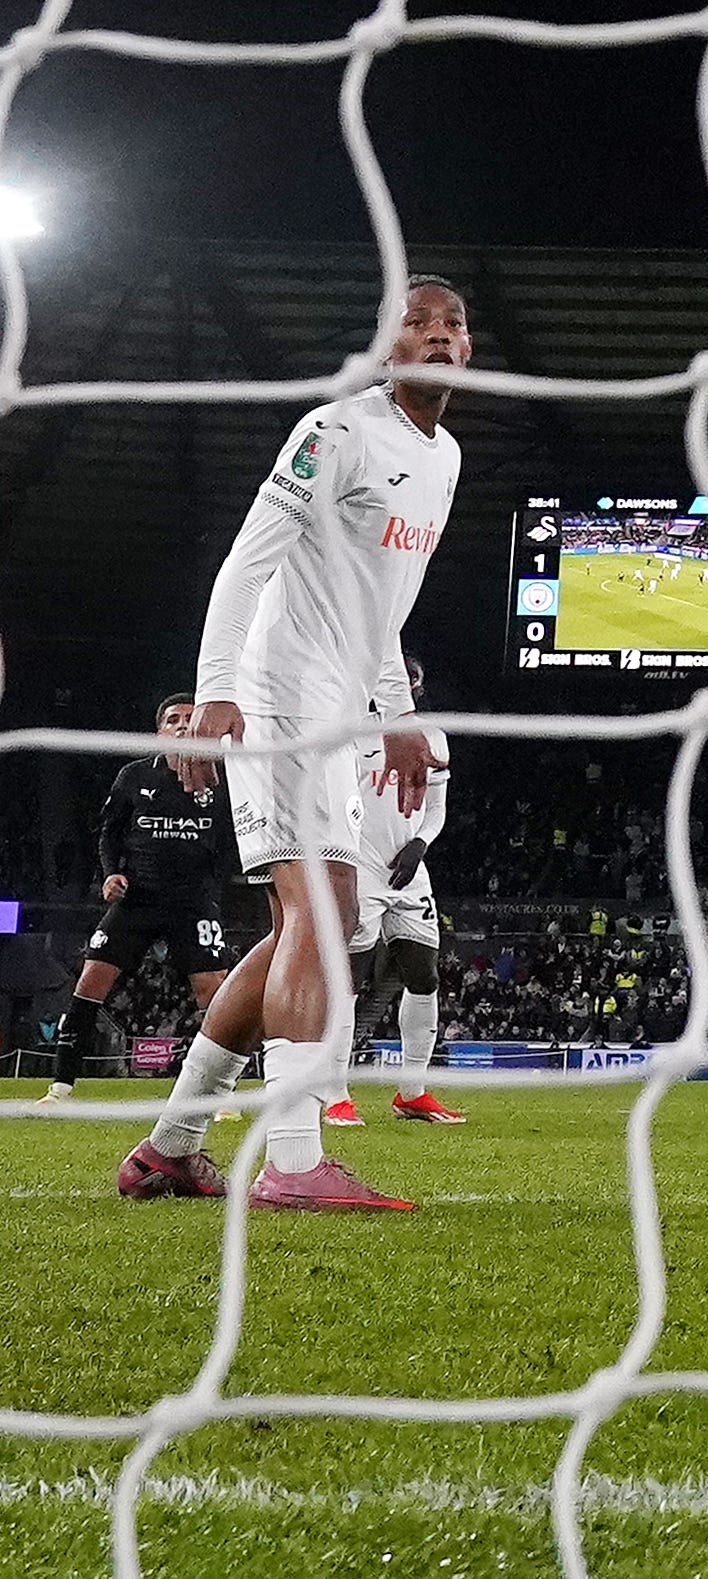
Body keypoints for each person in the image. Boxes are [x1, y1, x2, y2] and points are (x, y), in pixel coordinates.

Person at [116, 278, 466, 1211]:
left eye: (450, 326)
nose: (435, 337)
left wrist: (394, 711)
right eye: (415, 325)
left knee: (293, 933)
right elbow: (247, 557)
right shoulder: (336, 430)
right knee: (323, 906)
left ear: (467, 349)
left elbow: (380, 606)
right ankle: (295, 1159)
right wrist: (217, 690)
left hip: (342, 708)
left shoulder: (445, 456)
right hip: (279, 692)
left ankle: (172, 1147)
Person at [45, 698, 242, 1100]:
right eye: (174, 720)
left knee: (215, 992)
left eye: (191, 718)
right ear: (160, 732)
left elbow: (234, 842)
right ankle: (60, 1086)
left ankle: (220, 1095)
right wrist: (110, 873)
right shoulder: (133, 777)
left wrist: (217, 881)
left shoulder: (224, 780)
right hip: (137, 900)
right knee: (90, 979)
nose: (184, 726)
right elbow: (108, 834)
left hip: (193, 904)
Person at [326, 655, 461, 1130]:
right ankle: (335, 1094)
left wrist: (419, 845)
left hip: (408, 870)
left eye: (411, 681)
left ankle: (413, 1091)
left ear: (417, 690)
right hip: (357, 867)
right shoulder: (348, 731)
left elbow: (437, 809)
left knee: (424, 976)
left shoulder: (433, 738)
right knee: (348, 980)